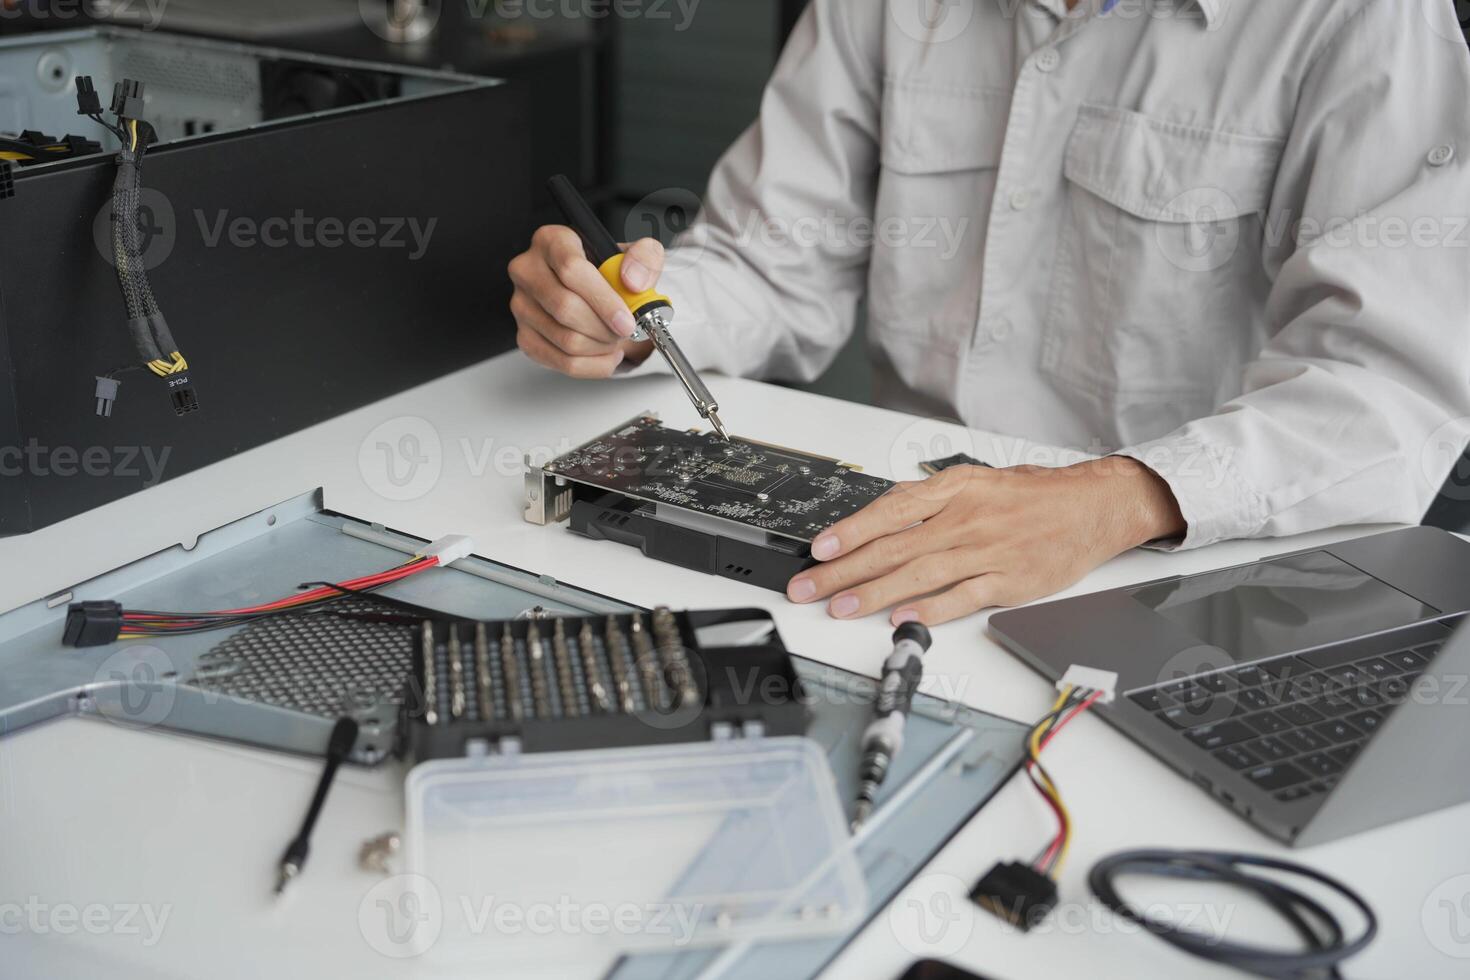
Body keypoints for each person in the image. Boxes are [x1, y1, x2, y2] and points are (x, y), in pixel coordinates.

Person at [507, 0, 1470, 626]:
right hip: (894, 538)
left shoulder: (1363, 19)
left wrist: (1120, 497)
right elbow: (773, 257)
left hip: (1188, 575)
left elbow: (1390, 390)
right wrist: (630, 318)